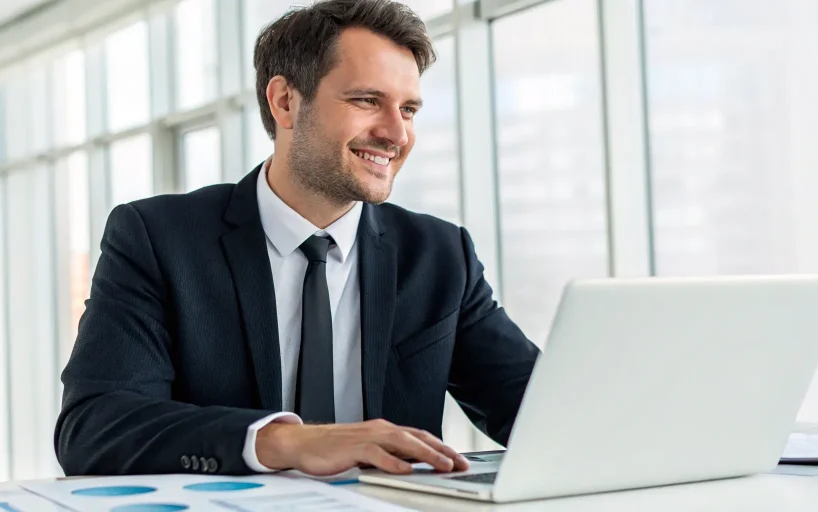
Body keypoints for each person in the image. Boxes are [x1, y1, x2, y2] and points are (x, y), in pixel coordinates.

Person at [55, 0, 540, 477]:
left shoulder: (439, 256)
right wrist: (286, 439)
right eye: (367, 100)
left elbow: (542, 411)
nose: (397, 133)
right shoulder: (159, 239)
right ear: (285, 101)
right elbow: (95, 426)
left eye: (409, 109)